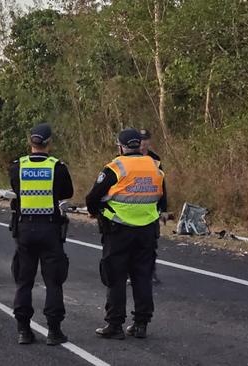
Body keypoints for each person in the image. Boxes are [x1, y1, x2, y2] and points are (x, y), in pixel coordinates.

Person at [86, 128, 166, 340]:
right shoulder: (155, 166)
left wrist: (96, 213)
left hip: (118, 230)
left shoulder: (116, 167)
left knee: (116, 278)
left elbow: (92, 197)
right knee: (143, 277)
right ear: (139, 145)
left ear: (121, 146)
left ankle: (115, 325)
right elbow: (162, 201)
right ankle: (141, 324)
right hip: (147, 230)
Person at [8, 122, 73, 346]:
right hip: (50, 229)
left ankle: (24, 331)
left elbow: (16, 189)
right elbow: (67, 192)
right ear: (49, 143)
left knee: (24, 281)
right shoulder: (58, 166)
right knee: (54, 281)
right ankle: (54, 331)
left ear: (30, 142)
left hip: (25, 229)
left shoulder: (18, 166)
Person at [139, 129, 165, 285]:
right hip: (131, 207)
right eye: (141, 139)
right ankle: (131, 273)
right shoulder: (124, 158)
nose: (143, 143)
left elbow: (162, 184)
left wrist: (164, 207)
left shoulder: (155, 159)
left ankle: (151, 271)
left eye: (146, 139)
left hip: (151, 207)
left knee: (151, 242)